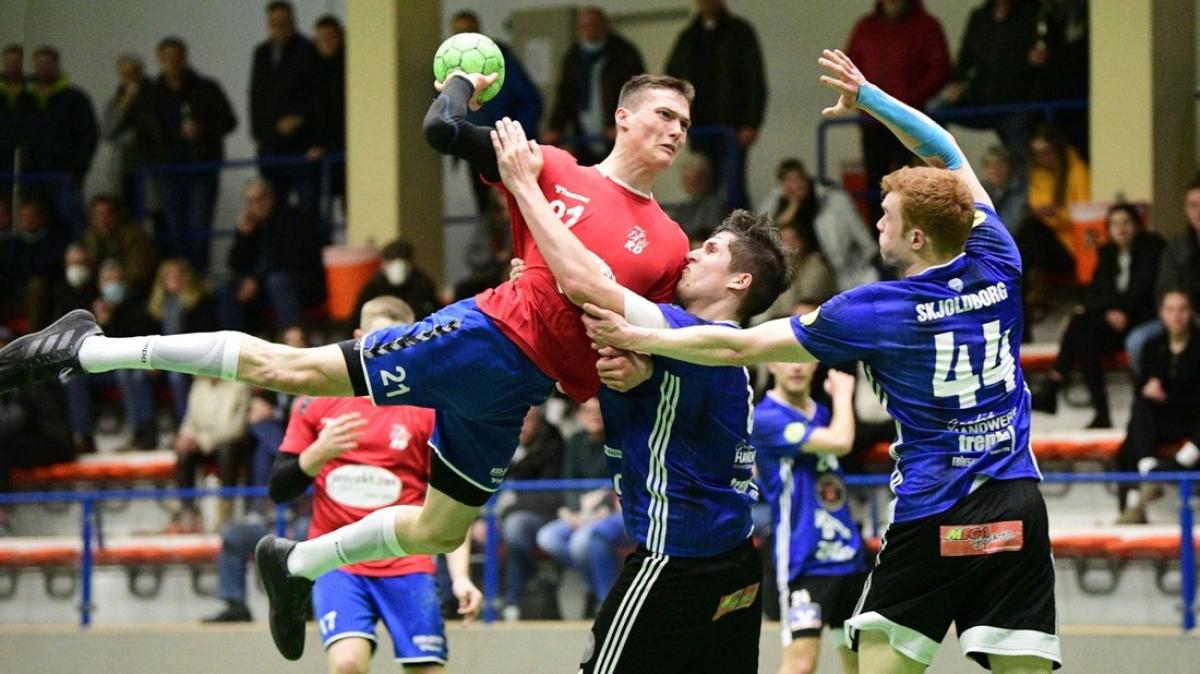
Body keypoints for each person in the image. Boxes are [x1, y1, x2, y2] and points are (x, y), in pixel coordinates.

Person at [0, 71, 694, 660]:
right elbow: (442, 128)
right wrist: (461, 85)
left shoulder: (669, 242)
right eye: (664, 114)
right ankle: (88, 348)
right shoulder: (553, 165)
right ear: (622, 117)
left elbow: (648, 335)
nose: (676, 129)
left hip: (517, 393)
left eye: (686, 122)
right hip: (483, 336)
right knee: (294, 370)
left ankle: (295, 561)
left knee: (439, 531)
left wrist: (629, 364)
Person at [583, 49, 1061, 672]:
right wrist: (873, 99)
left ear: (916, 238)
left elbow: (736, 345)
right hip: (1017, 501)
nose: (876, 225)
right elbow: (945, 151)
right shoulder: (998, 255)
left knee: (875, 664)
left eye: (885, 219)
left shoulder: (875, 309)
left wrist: (643, 336)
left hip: (936, 506)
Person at [489, 117, 791, 672]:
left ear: (739, 283)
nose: (694, 254)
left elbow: (590, 288)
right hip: (732, 562)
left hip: (676, 560)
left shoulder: (690, 334)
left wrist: (524, 188)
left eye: (712, 250)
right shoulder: (694, 346)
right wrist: (532, 279)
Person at [266, 296, 482, 671]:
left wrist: (461, 578)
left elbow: (453, 504)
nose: (389, 352)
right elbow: (279, 489)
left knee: (426, 669)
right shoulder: (317, 401)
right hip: (338, 560)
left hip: (408, 562)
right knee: (347, 665)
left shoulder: (432, 408)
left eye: (400, 341)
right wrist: (319, 452)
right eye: (380, 341)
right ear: (359, 338)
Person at [752, 362, 866, 674]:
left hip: (847, 555)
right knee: (801, 663)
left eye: (801, 357)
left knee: (858, 661)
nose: (795, 367)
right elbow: (841, 443)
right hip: (804, 558)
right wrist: (843, 394)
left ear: (815, 363)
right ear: (771, 363)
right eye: (785, 357)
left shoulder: (822, 415)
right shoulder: (766, 417)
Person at [1031, 204, 1163, 428]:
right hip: (1113, 323)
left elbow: (1138, 295)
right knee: (1082, 335)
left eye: (1126, 223)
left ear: (1137, 226)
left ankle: (1055, 387)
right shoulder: (1107, 253)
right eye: (1115, 224)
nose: (1121, 228)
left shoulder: (1151, 250)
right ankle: (1099, 412)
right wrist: (1106, 311)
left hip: (1140, 322)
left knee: (1079, 324)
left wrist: (1104, 308)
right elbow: (1093, 294)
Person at [846, 0, 952, 222]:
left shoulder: (927, 26)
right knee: (876, 184)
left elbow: (940, 68)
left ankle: (913, 239)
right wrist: (861, 99)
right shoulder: (865, 27)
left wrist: (910, 100)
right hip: (872, 121)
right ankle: (880, 243)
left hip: (910, 120)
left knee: (912, 183)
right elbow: (850, 66)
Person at [147, 36, 238, 272]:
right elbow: (143, 133)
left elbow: (229, 121)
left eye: (177, 57)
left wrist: (203, 128)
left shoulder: (206, 88)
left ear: (185, 58)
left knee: (199, 234)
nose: (172, 62)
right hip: (167, 173)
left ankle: (199, 286)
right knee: (175, 235)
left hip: (201, 171)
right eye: (167, 58)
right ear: (159, 60)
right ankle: (181, 287)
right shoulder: (151, 94)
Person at [665, 0, 767, 209]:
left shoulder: (740, 32)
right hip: (697, 127)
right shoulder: (687, 37)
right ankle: (706, 235)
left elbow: (754, 79)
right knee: (701, 186)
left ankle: (741, 238)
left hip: (732, 127)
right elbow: (672, 79)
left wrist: (751, 122)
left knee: (733, 187)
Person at [447, 10, 543, 222]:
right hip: (473, 151)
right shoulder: (451, 67)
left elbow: (531, 101)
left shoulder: (500, 62)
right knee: (488, 214)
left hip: (504, 149)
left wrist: (510, 136)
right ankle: (496, 254)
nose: (463, 37)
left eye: (468, 31)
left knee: (515, 208)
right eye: (457, 33)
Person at [1114, 290, 1200, 525]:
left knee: (1133, 437)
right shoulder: (1153, 345)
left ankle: (1135, 505)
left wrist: (1166, 396)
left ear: (1190, 313)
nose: (1177, 316)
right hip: (1162, 420)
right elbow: (1143, 385)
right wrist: (1148, 388)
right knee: (1139, 414)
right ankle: (1148, 468)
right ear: (1162, 314)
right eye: (1171, 310)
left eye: (1182, 309)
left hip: (1192, 420)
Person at [535, 397, 627, 614]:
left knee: (582, 541)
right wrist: (577, 512)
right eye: (587, 411)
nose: (594, 415)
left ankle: (607, 603)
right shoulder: (575, 441)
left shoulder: (620, 438)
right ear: (579, 415)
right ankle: (595, 585)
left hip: (614, 513)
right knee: (548, 537)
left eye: (599, 410)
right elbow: (569, 482)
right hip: (582, 513)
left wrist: (601, 504)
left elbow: (622, 482)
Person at [941, 0, 1045, 161]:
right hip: (981, 98)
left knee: (1021, 157)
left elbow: (1042, 50)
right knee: (935, 114)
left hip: (1017, 101)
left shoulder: (1031, 14)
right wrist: (957, 83)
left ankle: (1020, 185)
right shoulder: (979, 16)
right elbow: (966, 55)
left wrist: (1037, 59)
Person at [758, 158, 879, 293]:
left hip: (833, 268)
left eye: (798, 179)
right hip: (794, 269)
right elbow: (765, 236)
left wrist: (873, 260)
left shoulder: (833, 199)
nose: (795, 185)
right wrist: (793, 206)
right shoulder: (776, 203)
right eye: (788, 181)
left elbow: (862, 236)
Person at [544, 6, 645, 166]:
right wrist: (556, 127)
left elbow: (638, 93)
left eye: (593, 25)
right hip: (584, 139)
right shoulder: (574, 57)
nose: (589, 31)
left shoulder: (624, 53)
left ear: (604, 25)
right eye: (584, 26)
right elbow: (565, 95)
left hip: (617, 136)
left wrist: (624, 123)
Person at [222, 178, 325, 332]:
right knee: (225, 290)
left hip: (300, 280)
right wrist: (243, 237)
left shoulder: (291, 218)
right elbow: (234, 264)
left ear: (271, 197)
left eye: (260, 198)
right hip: (260, 283)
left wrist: (256, 278)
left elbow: (286, 258)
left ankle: (293, 335)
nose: (256, 205)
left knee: (278, 282)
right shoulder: (251, 225)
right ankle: (238, 341)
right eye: (250, 201)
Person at [1126, 175, 1200, 376]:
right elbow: (1165, 289)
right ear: (1186, 210)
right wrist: (1182, 317)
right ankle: (1149, 396)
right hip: (1178, 316)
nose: (1198, 211)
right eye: (1193, 205)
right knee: (1137, 341)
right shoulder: (1177, 247)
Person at [249, 0, 317, 214]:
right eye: (274, 23)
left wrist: (301, 119)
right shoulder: (261, 53)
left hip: (302, 144)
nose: (279, 27)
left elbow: (316, 95)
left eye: (283, 22)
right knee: (272, 210)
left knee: (308, 208)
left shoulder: (307, 50)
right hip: (270, 146)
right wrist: (260, 133)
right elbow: (256, 96)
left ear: (292, 22)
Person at [497, 405, 564, 620]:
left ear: (539, 422)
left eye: (528, 421)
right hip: (497, 515)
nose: (521, 426)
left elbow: (549, 495)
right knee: (458, 530)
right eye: (518, 420)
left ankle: (513, 601)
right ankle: (452, 602)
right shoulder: (499, 442)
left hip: (543, 515)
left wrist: (506, 511)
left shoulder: (552, 446)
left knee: (515, 528)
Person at [22, 45, 98, 235]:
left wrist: (77, 169)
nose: (43, 69)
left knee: (72, 222)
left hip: (65, 175)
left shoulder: (75, 98)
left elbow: (89, 135)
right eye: (39, 64)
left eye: (47, 64)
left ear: (57, 65)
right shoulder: (26, 100)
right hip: (34, 175)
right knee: (37, 225)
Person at [146, 258, 218, 422]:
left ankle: (185, 424)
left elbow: (203, 336)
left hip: (192, 355)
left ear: (187, 277)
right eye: (169, 276)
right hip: (164, 357)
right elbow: (150, 336)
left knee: (176, 375)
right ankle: (146, 428)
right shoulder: (158, 306)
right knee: (136, 374)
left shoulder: (201, 302)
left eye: (177, 275)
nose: (173, 280)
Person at [100, 54, 153, 210]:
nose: (131, 77)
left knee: (158, 215)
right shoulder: (115, 101)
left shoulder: (155, 95)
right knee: (126, 214)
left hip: (151, 166)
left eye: (135, 72)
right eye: (125, 73)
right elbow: (107, 133)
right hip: (124, 168)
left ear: (142, 71)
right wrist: (125, 103)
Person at [80, 194, 158, 296]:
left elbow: (138, 273)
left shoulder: (134, 236)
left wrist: (115, 278)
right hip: (99, 288)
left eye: (107, 214)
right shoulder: (90, 237)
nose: (103, 219)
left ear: (117, 215)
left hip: (131, 290)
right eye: (98, 215)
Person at [352, 239, 439, 323]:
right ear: (383, 264)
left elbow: (434, 314)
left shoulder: (422, 285)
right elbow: (356, 321)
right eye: (391, 262)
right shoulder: (373, 288)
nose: (397, 268)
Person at [663, 153, 725, 242]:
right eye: (686, 179)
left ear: (706, 178)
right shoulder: (686, 206)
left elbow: (706, 236)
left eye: (695, 179)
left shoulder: (715, 206)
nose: (690, 183)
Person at [978, 145, 1027, 237]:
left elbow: (1012, 225)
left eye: (1001, 165)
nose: (995, 170)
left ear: (1010, 168)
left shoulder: (1019, 190)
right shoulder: (980, 189)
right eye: (990, 166)